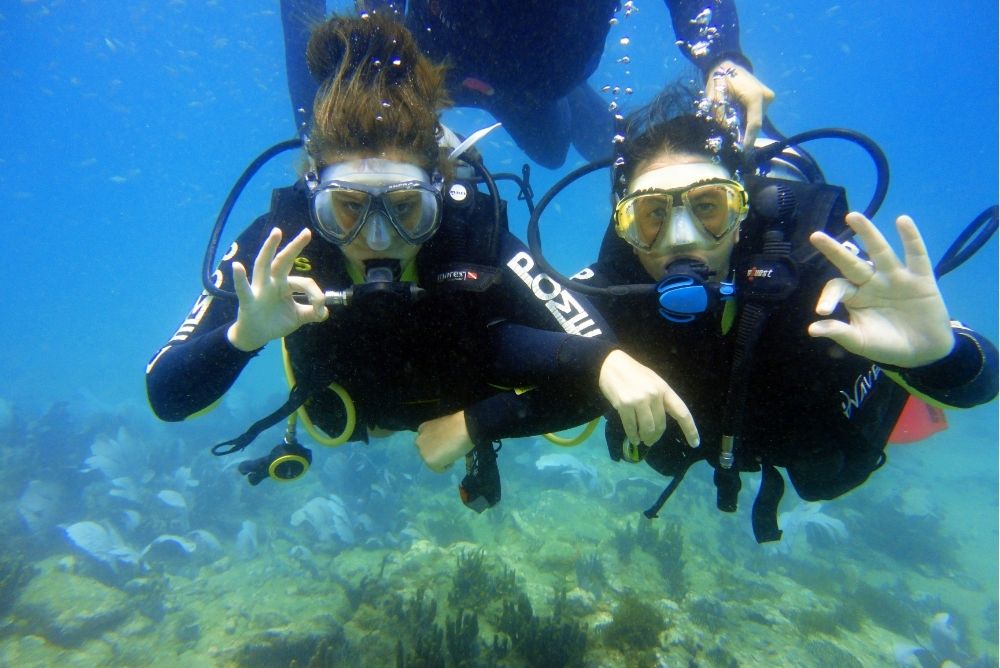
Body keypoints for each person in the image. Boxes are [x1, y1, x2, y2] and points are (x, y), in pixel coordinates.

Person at [145, 14, 697, 511]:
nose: (378, 237)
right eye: (348, 209)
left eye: (407, 208)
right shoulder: (283, 243)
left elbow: (594, 352)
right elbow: (166, 394)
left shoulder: (468, 232)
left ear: (441, 192)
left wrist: (483, 421)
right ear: (315, 197)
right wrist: (244, 334)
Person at [573, 92, 998, 541]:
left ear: (742, 213)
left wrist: (938, 358)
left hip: (800, 421)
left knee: (831, 460)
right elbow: (525, 335)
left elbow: (981, 380)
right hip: (715, 428)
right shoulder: (609, 282)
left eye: (708, 206)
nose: (681, 239)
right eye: (652, 214)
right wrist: (589, 357)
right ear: (625, 226)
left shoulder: (815, 264)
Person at [280, 0, 775, 168]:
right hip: (434, 71)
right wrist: (322, 130)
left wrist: (721, 60)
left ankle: (561, 102)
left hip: (545, 82)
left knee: (554, 151)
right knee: (395, 179)